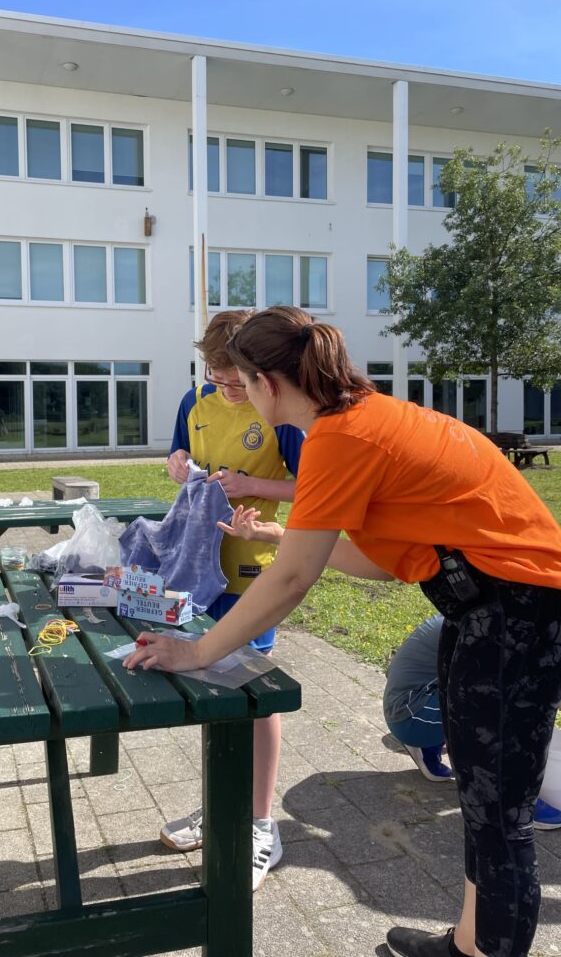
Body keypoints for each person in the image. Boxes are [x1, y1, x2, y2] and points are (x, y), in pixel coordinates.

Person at [125, 306, 561, 957]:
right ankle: (469, 944)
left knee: (499, 814)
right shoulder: (361, 418)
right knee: (483, 800)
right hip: (489, 608)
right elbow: (382, 562)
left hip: (517, 612)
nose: (238, 395)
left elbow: (290, 582)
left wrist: (198, 650)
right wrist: (284, 535)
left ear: (269, 383)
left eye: (242, 382)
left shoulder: (340, 436)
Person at [160, 309, 305, 891]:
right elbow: (178, 458)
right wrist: (175, 465)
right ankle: (223, 803)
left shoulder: (279, 409)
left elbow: (312, 486)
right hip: (195, 569)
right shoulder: (194, 400)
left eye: (235, 382)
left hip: (251, 573)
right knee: (210, 689)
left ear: (257, 373)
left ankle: (261, 824)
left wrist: (252, 486)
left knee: (254, 694)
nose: (224, 389)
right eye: (215, 377)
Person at [387, 616, 561, 829]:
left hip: (405, 706)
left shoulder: (487, 611)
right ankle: (514, 802)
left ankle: (427, 744)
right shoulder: (497, 626)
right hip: (412, 716)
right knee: (507, 709)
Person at [384, 614, 454, 782]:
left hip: (402, 709)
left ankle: (430, 744)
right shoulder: (472, 626)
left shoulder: (454, 615)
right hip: (411, 720)